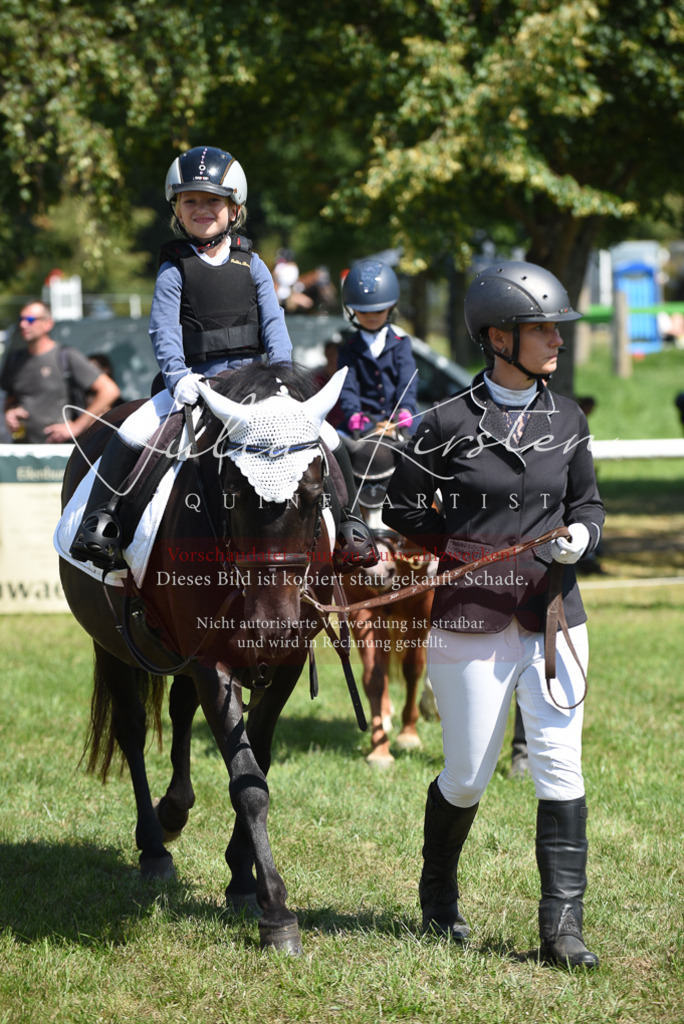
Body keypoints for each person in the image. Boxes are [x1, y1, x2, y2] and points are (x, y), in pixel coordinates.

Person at [384, 261, 604, 969]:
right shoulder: (442, 424)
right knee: (468, 776)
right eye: (543, 328)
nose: (556, 341)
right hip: (469, 616)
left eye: (555, 328)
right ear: (498, 336)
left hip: (555, 619)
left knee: (559, 767)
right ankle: (439, 891)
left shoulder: (568, 418)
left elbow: (588, 503)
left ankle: (561, 930)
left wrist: (584, 537)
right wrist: (455, 543)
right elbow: (401, 507)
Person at [69, 145, 376, 574]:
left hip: (256, 385)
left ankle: (350, 527)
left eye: (212, 200)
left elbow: (275, 328)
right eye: (190, 200)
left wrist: (280, 380)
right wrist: (177, 377)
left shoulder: (253, 265)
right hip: (195, 385)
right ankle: (102, 522)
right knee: (134, 430)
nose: (201, 208)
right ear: (176, 207)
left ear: (234, 207)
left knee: (327, 435)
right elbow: (164, 329)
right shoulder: (174, 267)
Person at [1, 302, 120, 443]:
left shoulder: (65, 356)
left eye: (31, 320)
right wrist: (10, 413)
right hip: (24, 452)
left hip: (58, 453)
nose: (23, 325)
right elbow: (9, 400)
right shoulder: (15, 360)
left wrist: (76, 427)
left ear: (48, 324)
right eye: (21, 320)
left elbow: (110, 390)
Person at [338, 260, 418, 435]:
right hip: (363, 422)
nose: (371, 317)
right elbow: (347, 387)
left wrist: (405, 408)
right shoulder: (348, 349)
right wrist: (353, 413)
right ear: (352, 310)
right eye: (364, 312)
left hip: (400, 419)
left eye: (378, 311)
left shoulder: (401, 343)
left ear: (390, 307)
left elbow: (408, 381)